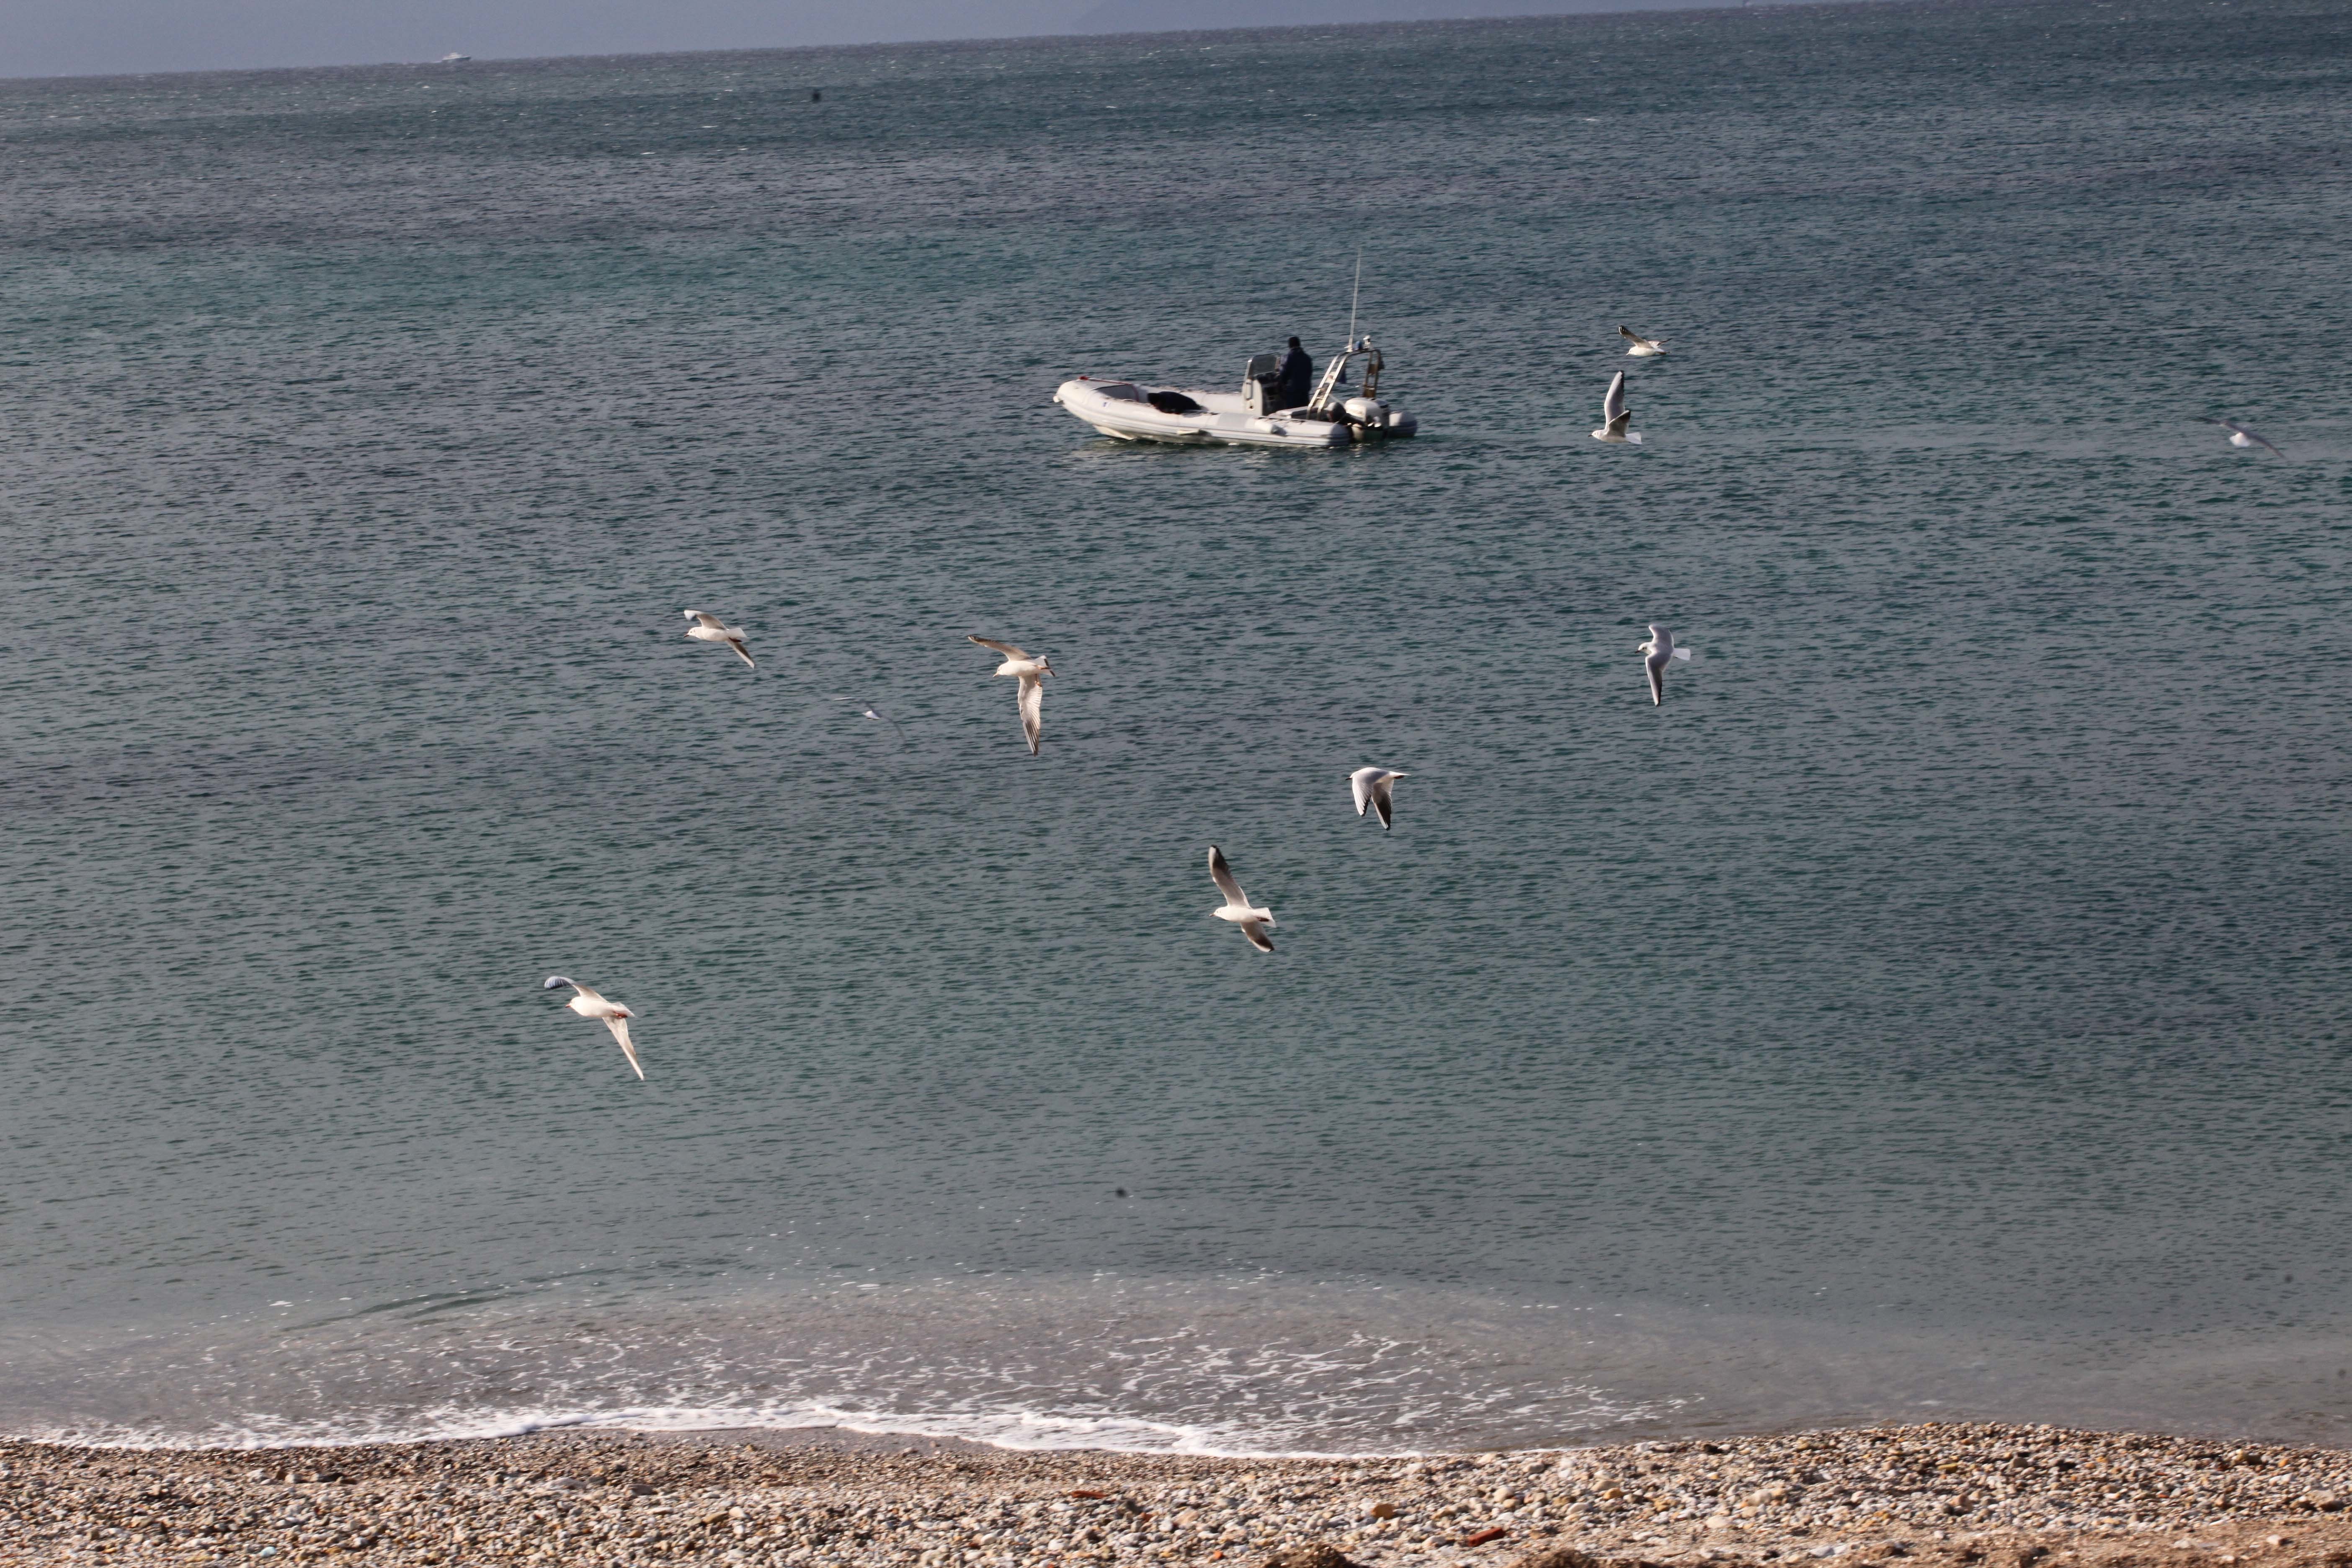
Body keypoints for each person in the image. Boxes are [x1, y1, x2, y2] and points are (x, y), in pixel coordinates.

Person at [1275, 336, 1313, 409]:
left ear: (1289, 346)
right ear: (1300, 344)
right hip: (1305, 391)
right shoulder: (1307, 358)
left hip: (1293, 393)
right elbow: (1309, 374)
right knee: (1304, 409)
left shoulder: (1287, 358)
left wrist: (1279, 386)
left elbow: (1283, 376)